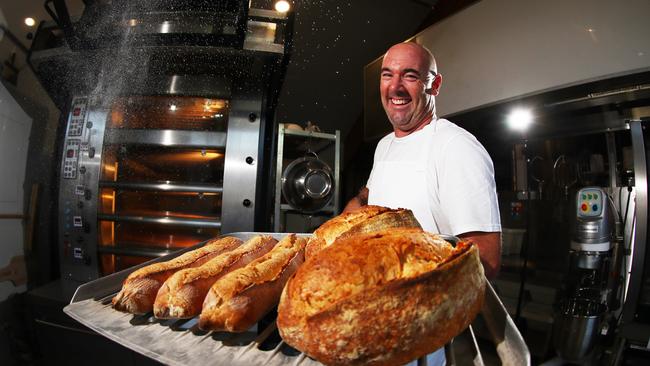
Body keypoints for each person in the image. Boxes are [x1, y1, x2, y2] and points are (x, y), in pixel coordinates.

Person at [344, 42, 502, 365]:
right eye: (387, 75)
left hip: (419, 336)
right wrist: (329, 242)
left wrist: (408, 306)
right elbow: (367, 199)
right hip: (369, 320)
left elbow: (485, 259)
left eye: (410, 76)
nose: (396, 87)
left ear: (435, 84)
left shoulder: (455, 148)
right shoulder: (386, 145)